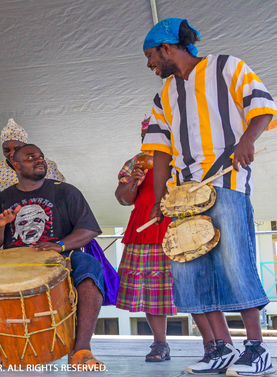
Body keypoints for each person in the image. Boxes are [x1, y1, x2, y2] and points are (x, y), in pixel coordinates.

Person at [142, 18, 277, 376]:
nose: (150, 65)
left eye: (151, 56)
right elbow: (159, 151)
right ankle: (220, 349)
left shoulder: (226, 66)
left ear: (168, 48)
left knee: (235, 263)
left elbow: (261, 106)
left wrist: (247, 141)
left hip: (226, 181)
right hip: (183, 194)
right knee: (188, 268)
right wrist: (160, 200)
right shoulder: (164, 96)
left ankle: (256, 349)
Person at [0, 144, 105, 368]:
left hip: (60, 257)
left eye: (41, 157)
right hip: (11, 261)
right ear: (15, 164)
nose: (39, 160)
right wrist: (0, 226)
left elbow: (89, 229)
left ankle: (82, 351)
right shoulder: (1, 199)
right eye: (31, 157)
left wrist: (60, 244)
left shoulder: (65, 191)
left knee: (90, 266)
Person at [114, 116, 176, 361]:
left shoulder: (179, 160)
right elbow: (123, 198)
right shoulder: (134, 163)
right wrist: (133, 182)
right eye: (144, 137)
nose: (147, 142)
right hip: (145, 228)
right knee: (153, 291)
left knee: (186, 286)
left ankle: (213, 344)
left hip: (176, 227)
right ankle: (160, 343)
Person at [0, 119, 65, 212]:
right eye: (7, 150)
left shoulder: (44, 165)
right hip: (4, 223)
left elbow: (62, 194)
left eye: (17, 149)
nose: (12, 154)